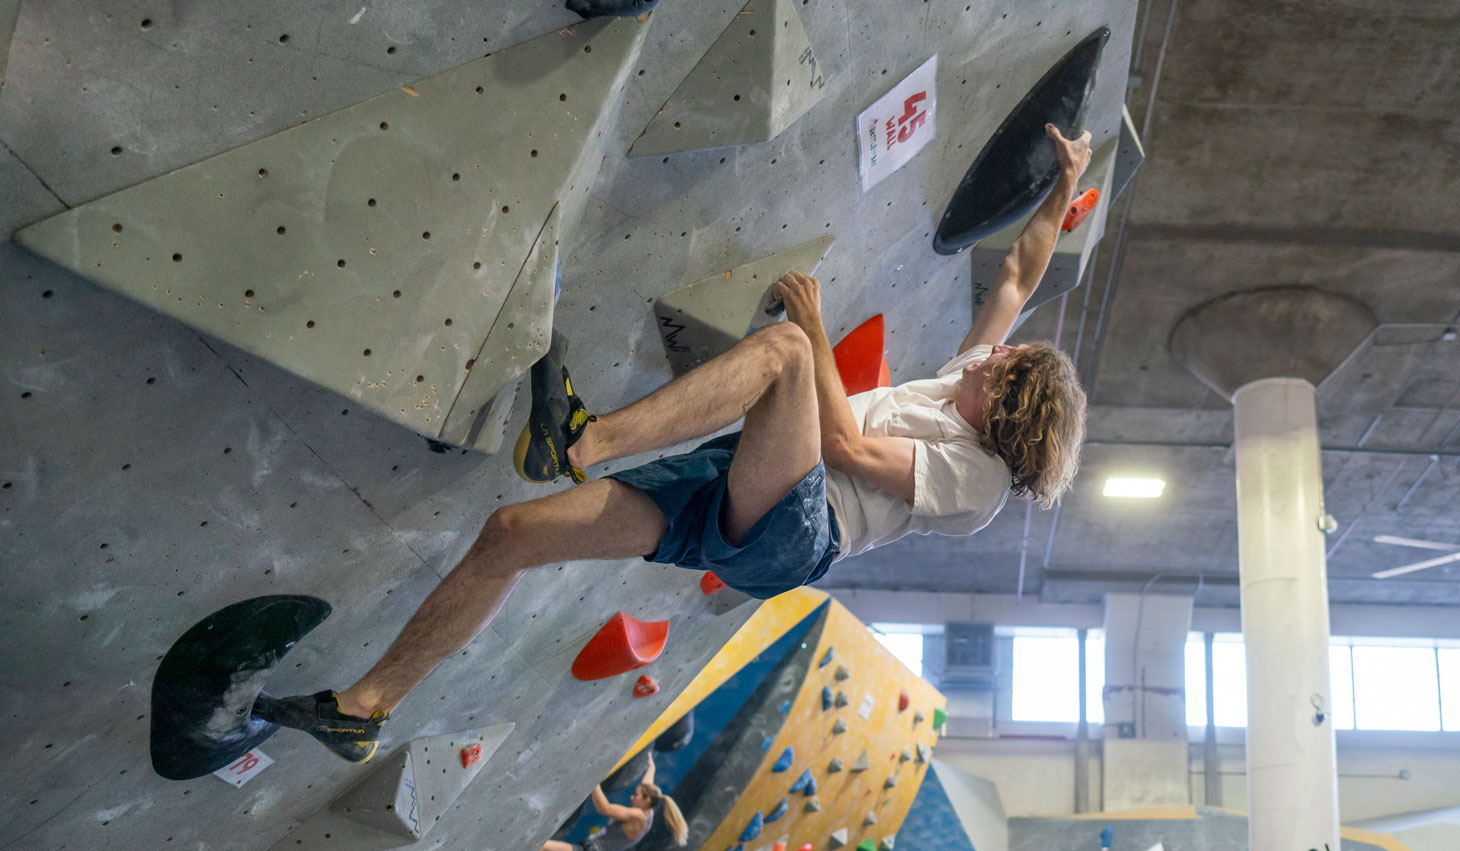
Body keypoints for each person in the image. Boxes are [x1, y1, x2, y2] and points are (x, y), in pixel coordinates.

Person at [246, 126, 1095, 765]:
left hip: (799, 529)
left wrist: (817, 323)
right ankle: (363, 706)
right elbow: (1019, 274)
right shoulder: (967, 381)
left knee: (791, 354)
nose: (997, 350)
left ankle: (585, 438)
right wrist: (1067, 182)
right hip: (749, 485)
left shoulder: (974, 483)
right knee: (511, 537)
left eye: (1008, 364)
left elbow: (837, 442)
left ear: (1010, 414)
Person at [517, 756, 686, 851]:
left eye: (636, 795)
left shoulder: (638, 817)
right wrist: (651, 766)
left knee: (539, 848)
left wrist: (593, 779)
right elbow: (647, 784)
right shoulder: (648, 809)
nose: (632, 798)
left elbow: (604, 808)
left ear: (646, 800)